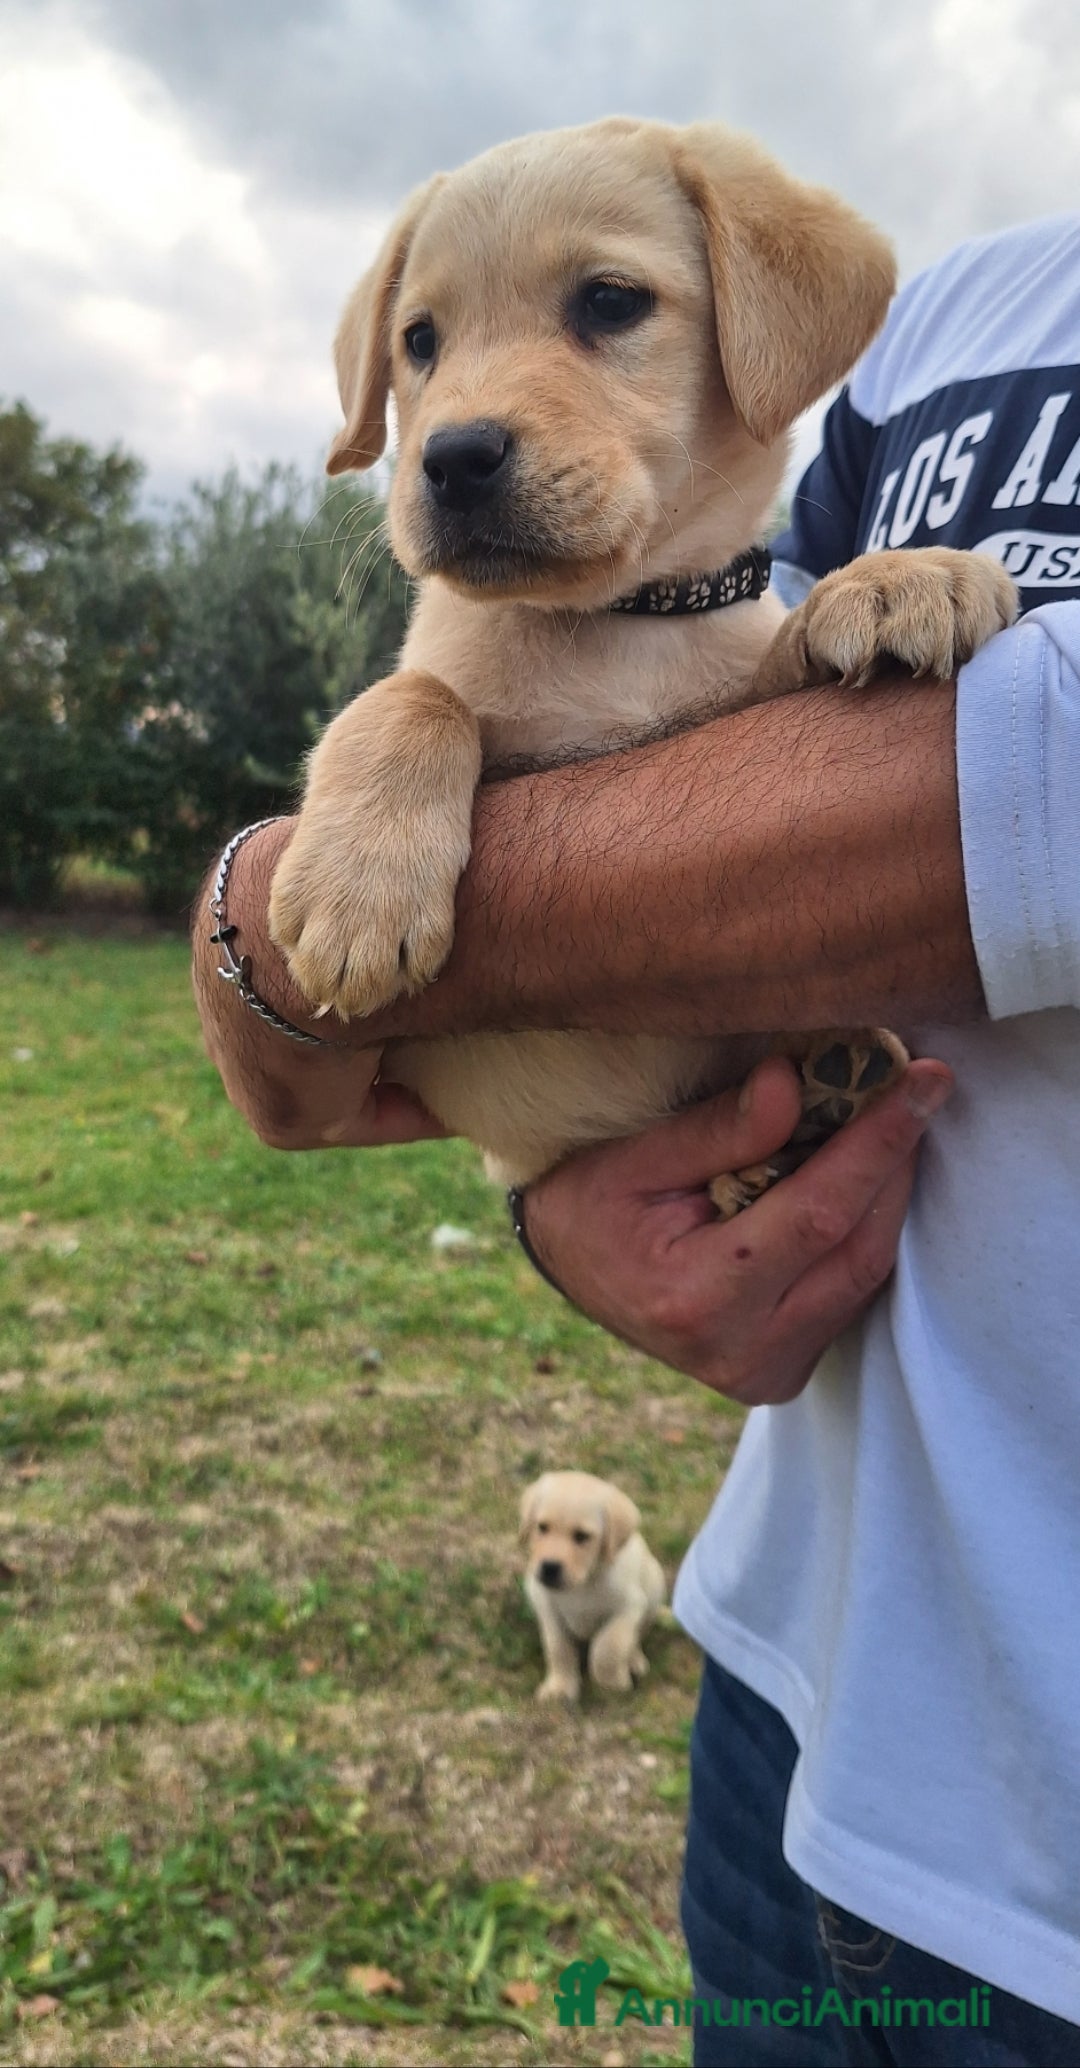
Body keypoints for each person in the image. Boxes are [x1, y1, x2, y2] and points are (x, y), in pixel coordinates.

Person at [194, 214, 1080, 2063]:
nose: (464, 414)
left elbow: (887, 757)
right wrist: (548, 1201)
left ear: (760, 315)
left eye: (605, 309)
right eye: (420, 349)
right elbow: (795, 722)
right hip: (793, 1670)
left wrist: (276, 951)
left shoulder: (809, 368)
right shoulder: (968, 310)